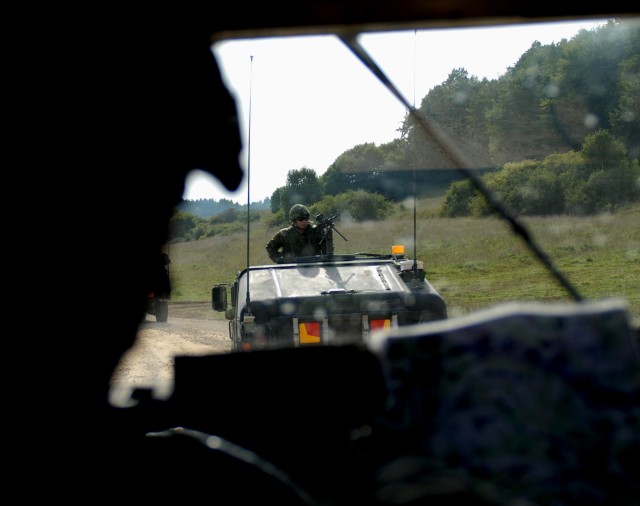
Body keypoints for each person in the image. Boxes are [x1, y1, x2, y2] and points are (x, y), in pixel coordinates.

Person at [266, 204, 334, 263]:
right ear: (294, 220)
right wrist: (279, 259)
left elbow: (328, 253)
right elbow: (270, 247)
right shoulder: (285, 234)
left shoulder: (315, 232)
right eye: (300, 219)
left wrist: (326, 236)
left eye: (306, 218)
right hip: (291, 270)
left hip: (313, 267)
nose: (304, 221)